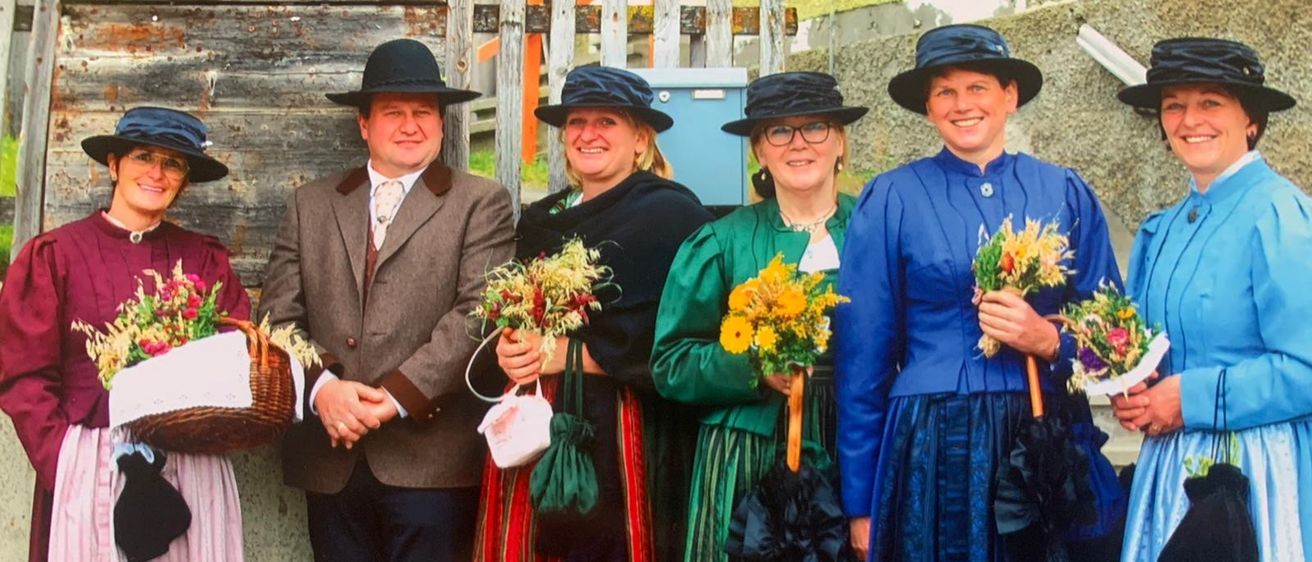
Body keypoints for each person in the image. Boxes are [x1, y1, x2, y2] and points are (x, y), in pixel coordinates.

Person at [834, 24, 1124, 561]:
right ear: (927, 107)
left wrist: (1049, 342)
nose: (962, 105)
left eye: (978, 88)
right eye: (945, 91)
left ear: (1009, 96)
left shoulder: (1063, 190)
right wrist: (861, 502)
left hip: (1047, 441)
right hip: (935, 444)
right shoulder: (892, 198)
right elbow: (862, 360)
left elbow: (1116, 335)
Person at [258, 38, 514, 561]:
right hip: (331, 457)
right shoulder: (311, 204)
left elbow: (477, 315)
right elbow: (275, 316)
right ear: (363, 125)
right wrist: (323, 390)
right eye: (392, 112)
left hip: (433, 461)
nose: (410, 125)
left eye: (424, 112)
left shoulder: (480, 203)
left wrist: (393, 398)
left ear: (442, 124)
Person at [474, 65, 714, 562]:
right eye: (577, 122)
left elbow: (680, 338)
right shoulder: (543, 219)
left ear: (640, 137)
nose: (588, 134)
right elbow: (515, 308)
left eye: (606, 121)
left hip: (627, 429)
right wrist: (511, 344)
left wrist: (571, 355)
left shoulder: (671, 216)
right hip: (535, 425)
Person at [0, 106, 250, 561]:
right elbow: (25, 379)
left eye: (173, 163)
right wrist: (70, 465)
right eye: (142, 157)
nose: (157, 172)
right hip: (89, 467)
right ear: (114, 165)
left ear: (185, 179)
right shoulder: (55, 256)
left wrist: (203, 437)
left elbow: (239, 358)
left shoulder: (204, 259)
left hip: (189, 465)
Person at [651, 71, 867, 562]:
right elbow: (671, 362)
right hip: (744, 454)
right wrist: (751, 366)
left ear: (839, 142)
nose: (798, 143)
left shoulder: (877, 227)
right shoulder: (720, 241)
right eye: (779, 131)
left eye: (815, 127)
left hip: (851, 443)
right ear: (759, 151)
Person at [1110, 37, 1312, 562]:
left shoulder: (1279, 216)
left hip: (1253, 475)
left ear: (1251, 119)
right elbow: (1143, 353)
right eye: (1174, 104)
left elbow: (1307, 371)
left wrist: (1190, 399)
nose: (1189, 118)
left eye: (1210, 102)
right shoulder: (1163, 228)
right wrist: (1132, 391)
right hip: (1167, 470)